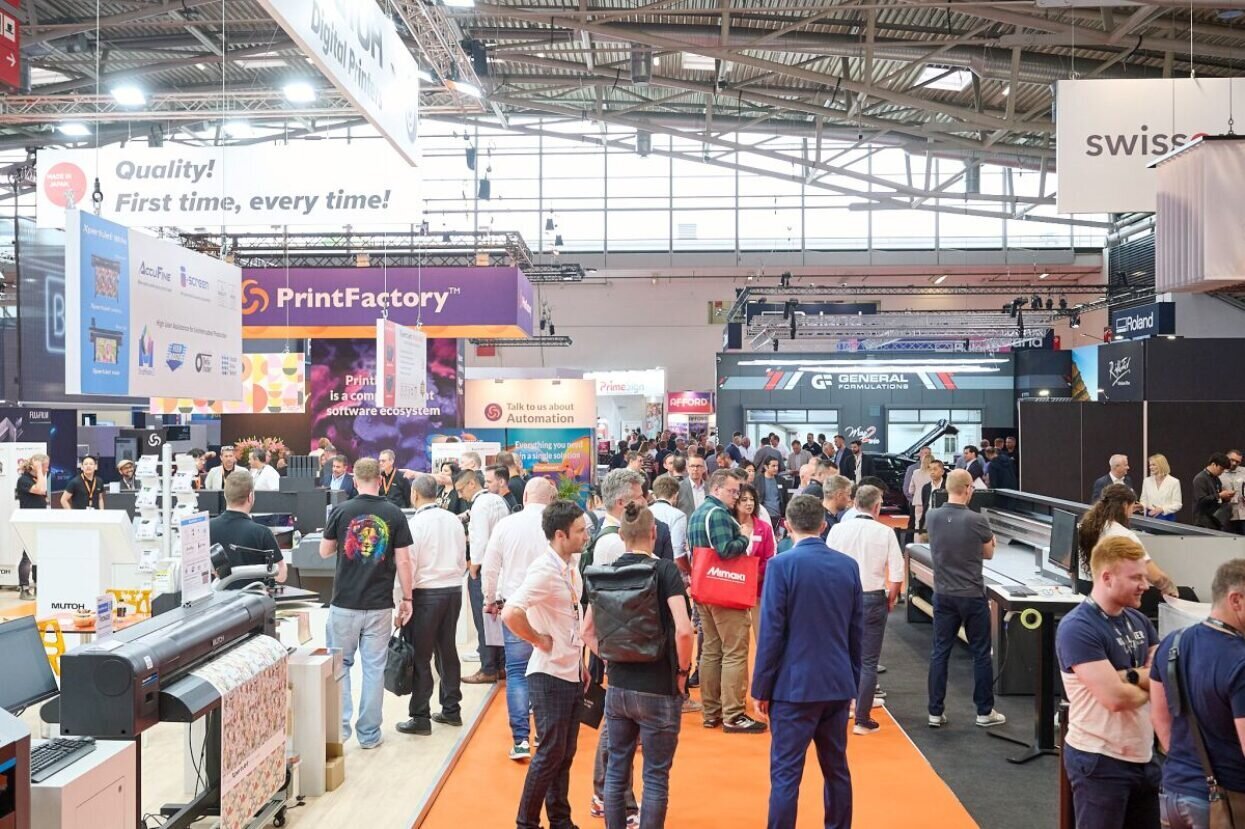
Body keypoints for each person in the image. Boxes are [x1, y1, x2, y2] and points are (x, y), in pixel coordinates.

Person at [753, 494, 862, 829]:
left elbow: (771, 632)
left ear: (786, 525)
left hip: (793, 688)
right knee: (836, 769)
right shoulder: (848, 566)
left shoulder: (781, 566)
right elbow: (856, 631)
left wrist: (761, 688)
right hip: (836, 684)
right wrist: (853, 682)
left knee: (786, 775)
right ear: (823, 525)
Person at [583, 503, 694, 829]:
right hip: (659, 686)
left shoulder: (605, 573)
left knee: (617, 768)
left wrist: (611, 656)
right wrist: (682, 673)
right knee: (656, 775)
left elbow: (586, 632)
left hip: (618, 687)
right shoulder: (665, 571)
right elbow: (684, 629)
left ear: (621, 535)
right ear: (654, 533)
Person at [1056, 536, 1160, 829]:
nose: (1145, 585)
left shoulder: (1140, 621)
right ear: (1106, 578)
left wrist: (1128, 676)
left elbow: (1164, 677)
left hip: (1143, 756)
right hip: (1099, 761)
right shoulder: (1077, 628)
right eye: (1136, 577)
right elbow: (1116, 699)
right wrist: (1149, 683)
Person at [505, 500, 591, 829]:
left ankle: (560, 820)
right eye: (580, 531)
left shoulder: (569, 566)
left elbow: (571, 618)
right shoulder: (544, 570)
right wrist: (538, 639)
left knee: (564, 754)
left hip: (570, 671)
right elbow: (511, 612)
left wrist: (581, 663)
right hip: (549, 675)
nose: (586, 536)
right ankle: (526, 823)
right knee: (550, 752)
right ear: (560, 535)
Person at [319, 457, 414, 749]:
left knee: (340, 666)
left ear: (355, 479)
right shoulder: (395, 513)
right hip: (379, 605)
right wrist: (407, 597)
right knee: (374, 669)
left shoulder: (341, 510)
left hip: (344, 603)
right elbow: (404, 560)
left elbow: (324, 551)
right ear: (379, 478)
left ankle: (340, 731)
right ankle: (370, 735)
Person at [1150, 558, 1245, 829]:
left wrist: (1189, 766)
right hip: (1225, 801)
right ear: (1236, 600)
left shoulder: (1173, 642)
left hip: (1173, 792)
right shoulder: (1240, 662)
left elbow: (1159, 719)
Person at [483, 477, 558, 760]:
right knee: (548, 671)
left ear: (525, 496)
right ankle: (544, 733)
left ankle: (521, 740)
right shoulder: (556, 525)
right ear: (551, 499)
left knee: (516, 672)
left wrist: (490, 599)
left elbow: (491, 568)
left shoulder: (506, 525)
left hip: (515, 607)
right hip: (550, 609)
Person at [925, 469, 1007, 729]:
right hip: (971, 595)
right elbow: (989, 553)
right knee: (981, 654)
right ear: (969, 488)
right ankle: (984, 711)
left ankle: (935, 712)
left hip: (943, 594)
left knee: (940, 652)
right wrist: (989, 542)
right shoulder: (976, 520)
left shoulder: (932, 516)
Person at [688, 469, 765, 733]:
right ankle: (733, 714)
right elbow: (726, 550)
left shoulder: (698, 513)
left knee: (711, 650)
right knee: (734, 651)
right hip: (726, 591)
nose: (736, 496)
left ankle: (712, 712)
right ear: (716, 489)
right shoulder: (719, 514)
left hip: (705, 589)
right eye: (732, 491)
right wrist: (744, 535)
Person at [826, 485, 903, 736]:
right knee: (868, 661)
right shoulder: (885, 532)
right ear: (877, 506)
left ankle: (840, 710)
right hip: (872, 597)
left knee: (840, 655)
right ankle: (862, 718)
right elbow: (897, 574)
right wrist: (890, 599)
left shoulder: (837, 530)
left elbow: (827, 565)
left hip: (840, 597)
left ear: (855, 503)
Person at [396, 474, 467, 737]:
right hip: (453, 591)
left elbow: (409, 564)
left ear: (414, 494)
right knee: (447, 650)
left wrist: (404, 599)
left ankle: (420, 716)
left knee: (421, 655)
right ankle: (451, 709)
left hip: (425, 594)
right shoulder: (453, 520)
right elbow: (463, 555)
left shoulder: (415, 524)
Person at [1079, 483, 1178, 597]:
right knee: (1188, 594)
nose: (1132, 512)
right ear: (1125, 506)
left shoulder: (1086, 526)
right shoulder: (1124, 535)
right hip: (1113, 594)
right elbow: (1155, 577)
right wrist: (1170, 587)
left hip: (1086, 588)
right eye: (1132, 506)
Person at [460, 469, 511, 684]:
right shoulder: (498, 500)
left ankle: (488, 667)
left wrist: (474, 568)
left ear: (472, 484)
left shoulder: (480, 505)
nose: (461, 495)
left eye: (461, 489)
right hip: (501, 567)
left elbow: (480, 541)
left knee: (484, 620)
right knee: (496, 618)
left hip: (484, 569)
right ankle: (500, 665)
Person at [209, 471, 287, 588]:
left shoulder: (206, 528)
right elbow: (281, 575)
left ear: (225, 495)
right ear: (251, 497)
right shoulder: (262, 533)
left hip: (216, 598)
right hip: (253, 597)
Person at [733, 483, 776, 607]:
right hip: (733, 585)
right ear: (736, 502)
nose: (749, 503)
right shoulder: (729, 526)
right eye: (744, 499)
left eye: (752, 499)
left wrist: (753, 579)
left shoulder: (765, 528)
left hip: (758, 588)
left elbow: (769, 558)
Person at [15, 453, 49, 599]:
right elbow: (41, 490)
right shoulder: (24, 480)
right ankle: (24, 588)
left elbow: (43, 490)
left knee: (38, 555)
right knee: (27, 556)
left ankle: (38, 586)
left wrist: (41, 473)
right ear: (37, 466)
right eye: (45, 466)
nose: (47, 469)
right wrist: (40, 470)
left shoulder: (38, 478)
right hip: (28, 520)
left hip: (40, 519)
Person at [650, 474, 688, 575]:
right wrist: (689, 572)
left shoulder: (645, 512)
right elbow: (678, 553)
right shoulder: (678, 515)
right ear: (676, 495)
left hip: (645, 567)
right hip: (667, 571)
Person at [1191, 453, 1235, 531]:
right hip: (1203, 522)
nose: (1222, 472)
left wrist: (1225, 498)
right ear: (1213, 464)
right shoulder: (1200, 478)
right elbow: (1201, 500)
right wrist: (1220, 495)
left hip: (1215, 520)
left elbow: (1216, 499)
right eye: (1221, 469)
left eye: (1224, 470)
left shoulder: (1216, 479)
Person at [1139, 453, 1181, 521]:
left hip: (1167, 518)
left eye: (1153, 465)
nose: (1150, 467)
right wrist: (1140, 506)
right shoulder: (1147, 481)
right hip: (1150, 516)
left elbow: (1177, 504)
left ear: (1161, 465)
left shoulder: (1174, 482)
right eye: (1150, 465)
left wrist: (1162, 509)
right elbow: (1144, 500)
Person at [919, 459, 948, 535]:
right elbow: (925, 504)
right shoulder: (926, 487)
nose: (932, 472)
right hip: (928, 520)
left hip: (944, 521)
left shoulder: (948, 486)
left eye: (935, 469)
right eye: (930, 469)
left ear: (942, 472)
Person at [1221, 450, 1245, 535]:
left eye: (1237, 462)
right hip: (1225, 516)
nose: (1234, 463)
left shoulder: (1244, 471)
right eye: (1232, 460)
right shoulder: (1218, 472)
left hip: (1243, 515)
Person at [756, 457, 783, 528]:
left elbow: (784, 499)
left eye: (777, 466)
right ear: (766, 467)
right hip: (764, 516)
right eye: (773, 466)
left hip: (778, 516)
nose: (776, 468)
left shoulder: (781, 480)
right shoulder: (758, 480)